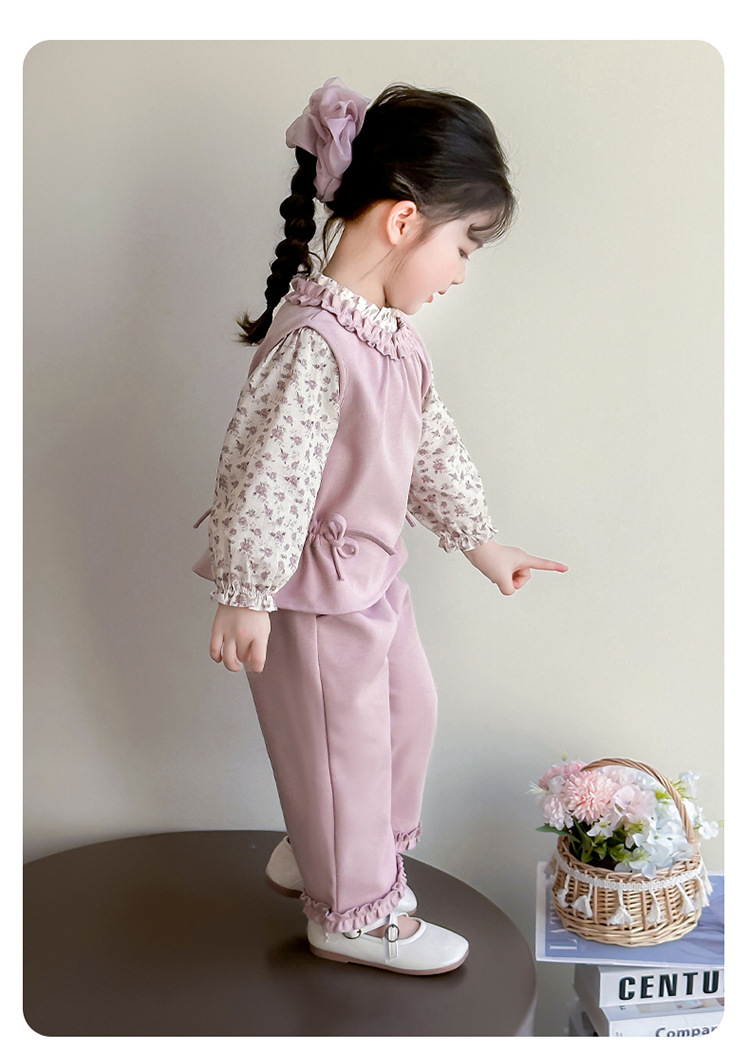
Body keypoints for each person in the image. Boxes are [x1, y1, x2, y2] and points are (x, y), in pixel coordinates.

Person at [192, 77, 568, 975]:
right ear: (403, 221)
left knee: (408, 713)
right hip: (314, 598)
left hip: (370, 583)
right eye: (463, 245)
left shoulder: (390, 340)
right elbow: (266, 473)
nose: (461, 272)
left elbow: (430, 445)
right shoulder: (317, 343)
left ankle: (329, 852)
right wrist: (246, 591)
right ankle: (352, 913)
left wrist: (482, 541)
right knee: (345, 747)